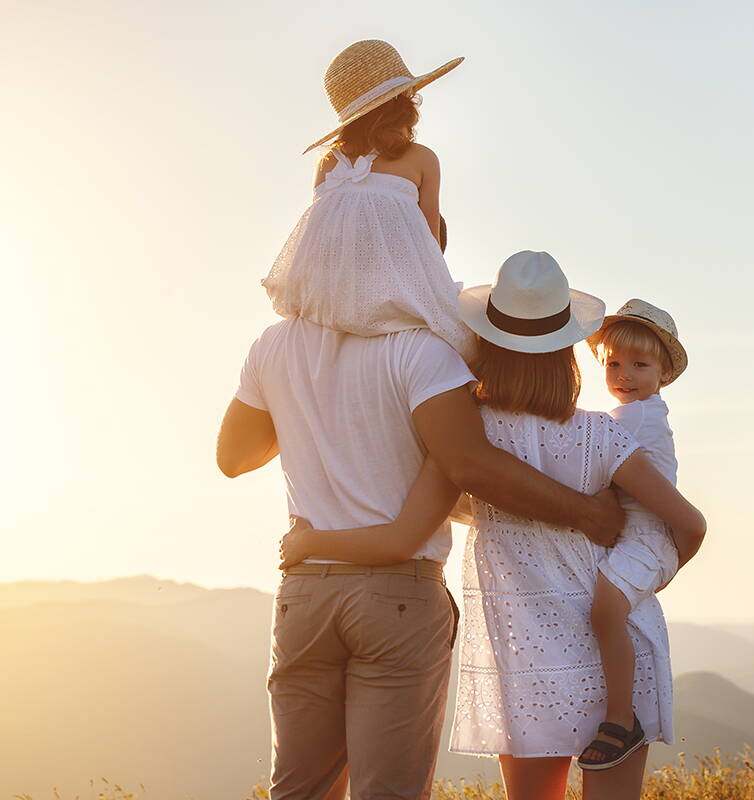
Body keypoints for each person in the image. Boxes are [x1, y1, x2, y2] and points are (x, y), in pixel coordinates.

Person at [216, 44, 626, 800]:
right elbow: (470, 467)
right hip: (394, 596)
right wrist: (590, 514)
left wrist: (307, 403)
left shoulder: (274, 347)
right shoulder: (422, 354)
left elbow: (234, 457)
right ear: (417, 235)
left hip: (303, 591)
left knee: (298, 791)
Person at [279, 251, 707, 800]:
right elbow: (688, 524)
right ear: (570, 352)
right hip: (616, 645)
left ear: (485, 344)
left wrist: (310, 539)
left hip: (527, 658)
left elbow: (419, 522)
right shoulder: (607, 437)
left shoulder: (467, 441)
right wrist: (650, 578)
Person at [261, 38, 476, 362]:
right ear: (404, 101)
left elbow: (331, 240)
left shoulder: (328, 164)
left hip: (331, 298)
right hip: (399, 292)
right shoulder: (422, 159)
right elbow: (428, 247)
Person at [576, 299, 691, 771]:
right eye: (613, 363)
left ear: (663, 372)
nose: (623, 374)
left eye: (639, 365)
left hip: (646, 536)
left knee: (605, 612)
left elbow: (590, 457)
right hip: (640, 535)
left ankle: (621, 718)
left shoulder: (628, 420)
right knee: (607, 612)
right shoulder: (642, 412)